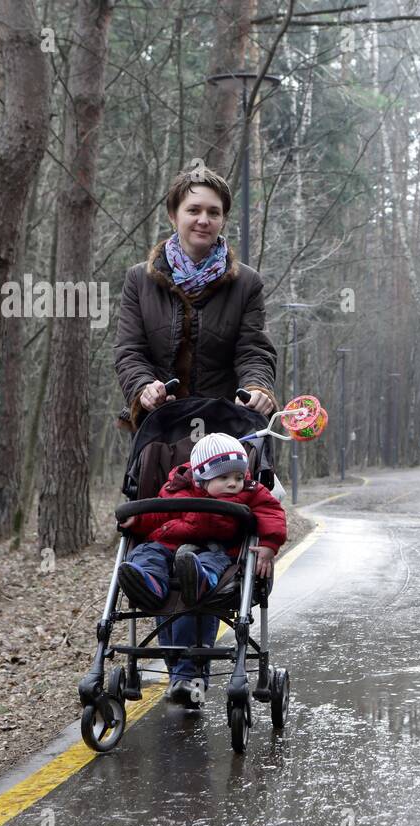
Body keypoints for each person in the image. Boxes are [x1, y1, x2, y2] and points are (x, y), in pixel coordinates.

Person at [117, 433, 287, 707]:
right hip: (169, 546)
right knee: (146, 553)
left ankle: (200, 579)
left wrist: (269, 544)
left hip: (214, 551)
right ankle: (149, 581)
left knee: (206, 565)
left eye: (238, 476)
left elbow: (272, 512)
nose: (233, 483)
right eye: (223, 478)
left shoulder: (250, 492)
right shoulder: (179, 488)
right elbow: (158, 515)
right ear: (201, 478)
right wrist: (137, 520)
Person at [114, 165, 279, 433]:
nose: (204, 219)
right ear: (173, 216)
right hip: (160, 429)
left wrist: (255, 389)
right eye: (193, 210)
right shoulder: (139, 279)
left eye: (213, 212)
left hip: (228, 430)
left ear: (223, 219)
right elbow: (130, 351)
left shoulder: (247, 283)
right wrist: (143, 388)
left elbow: (254, 352)